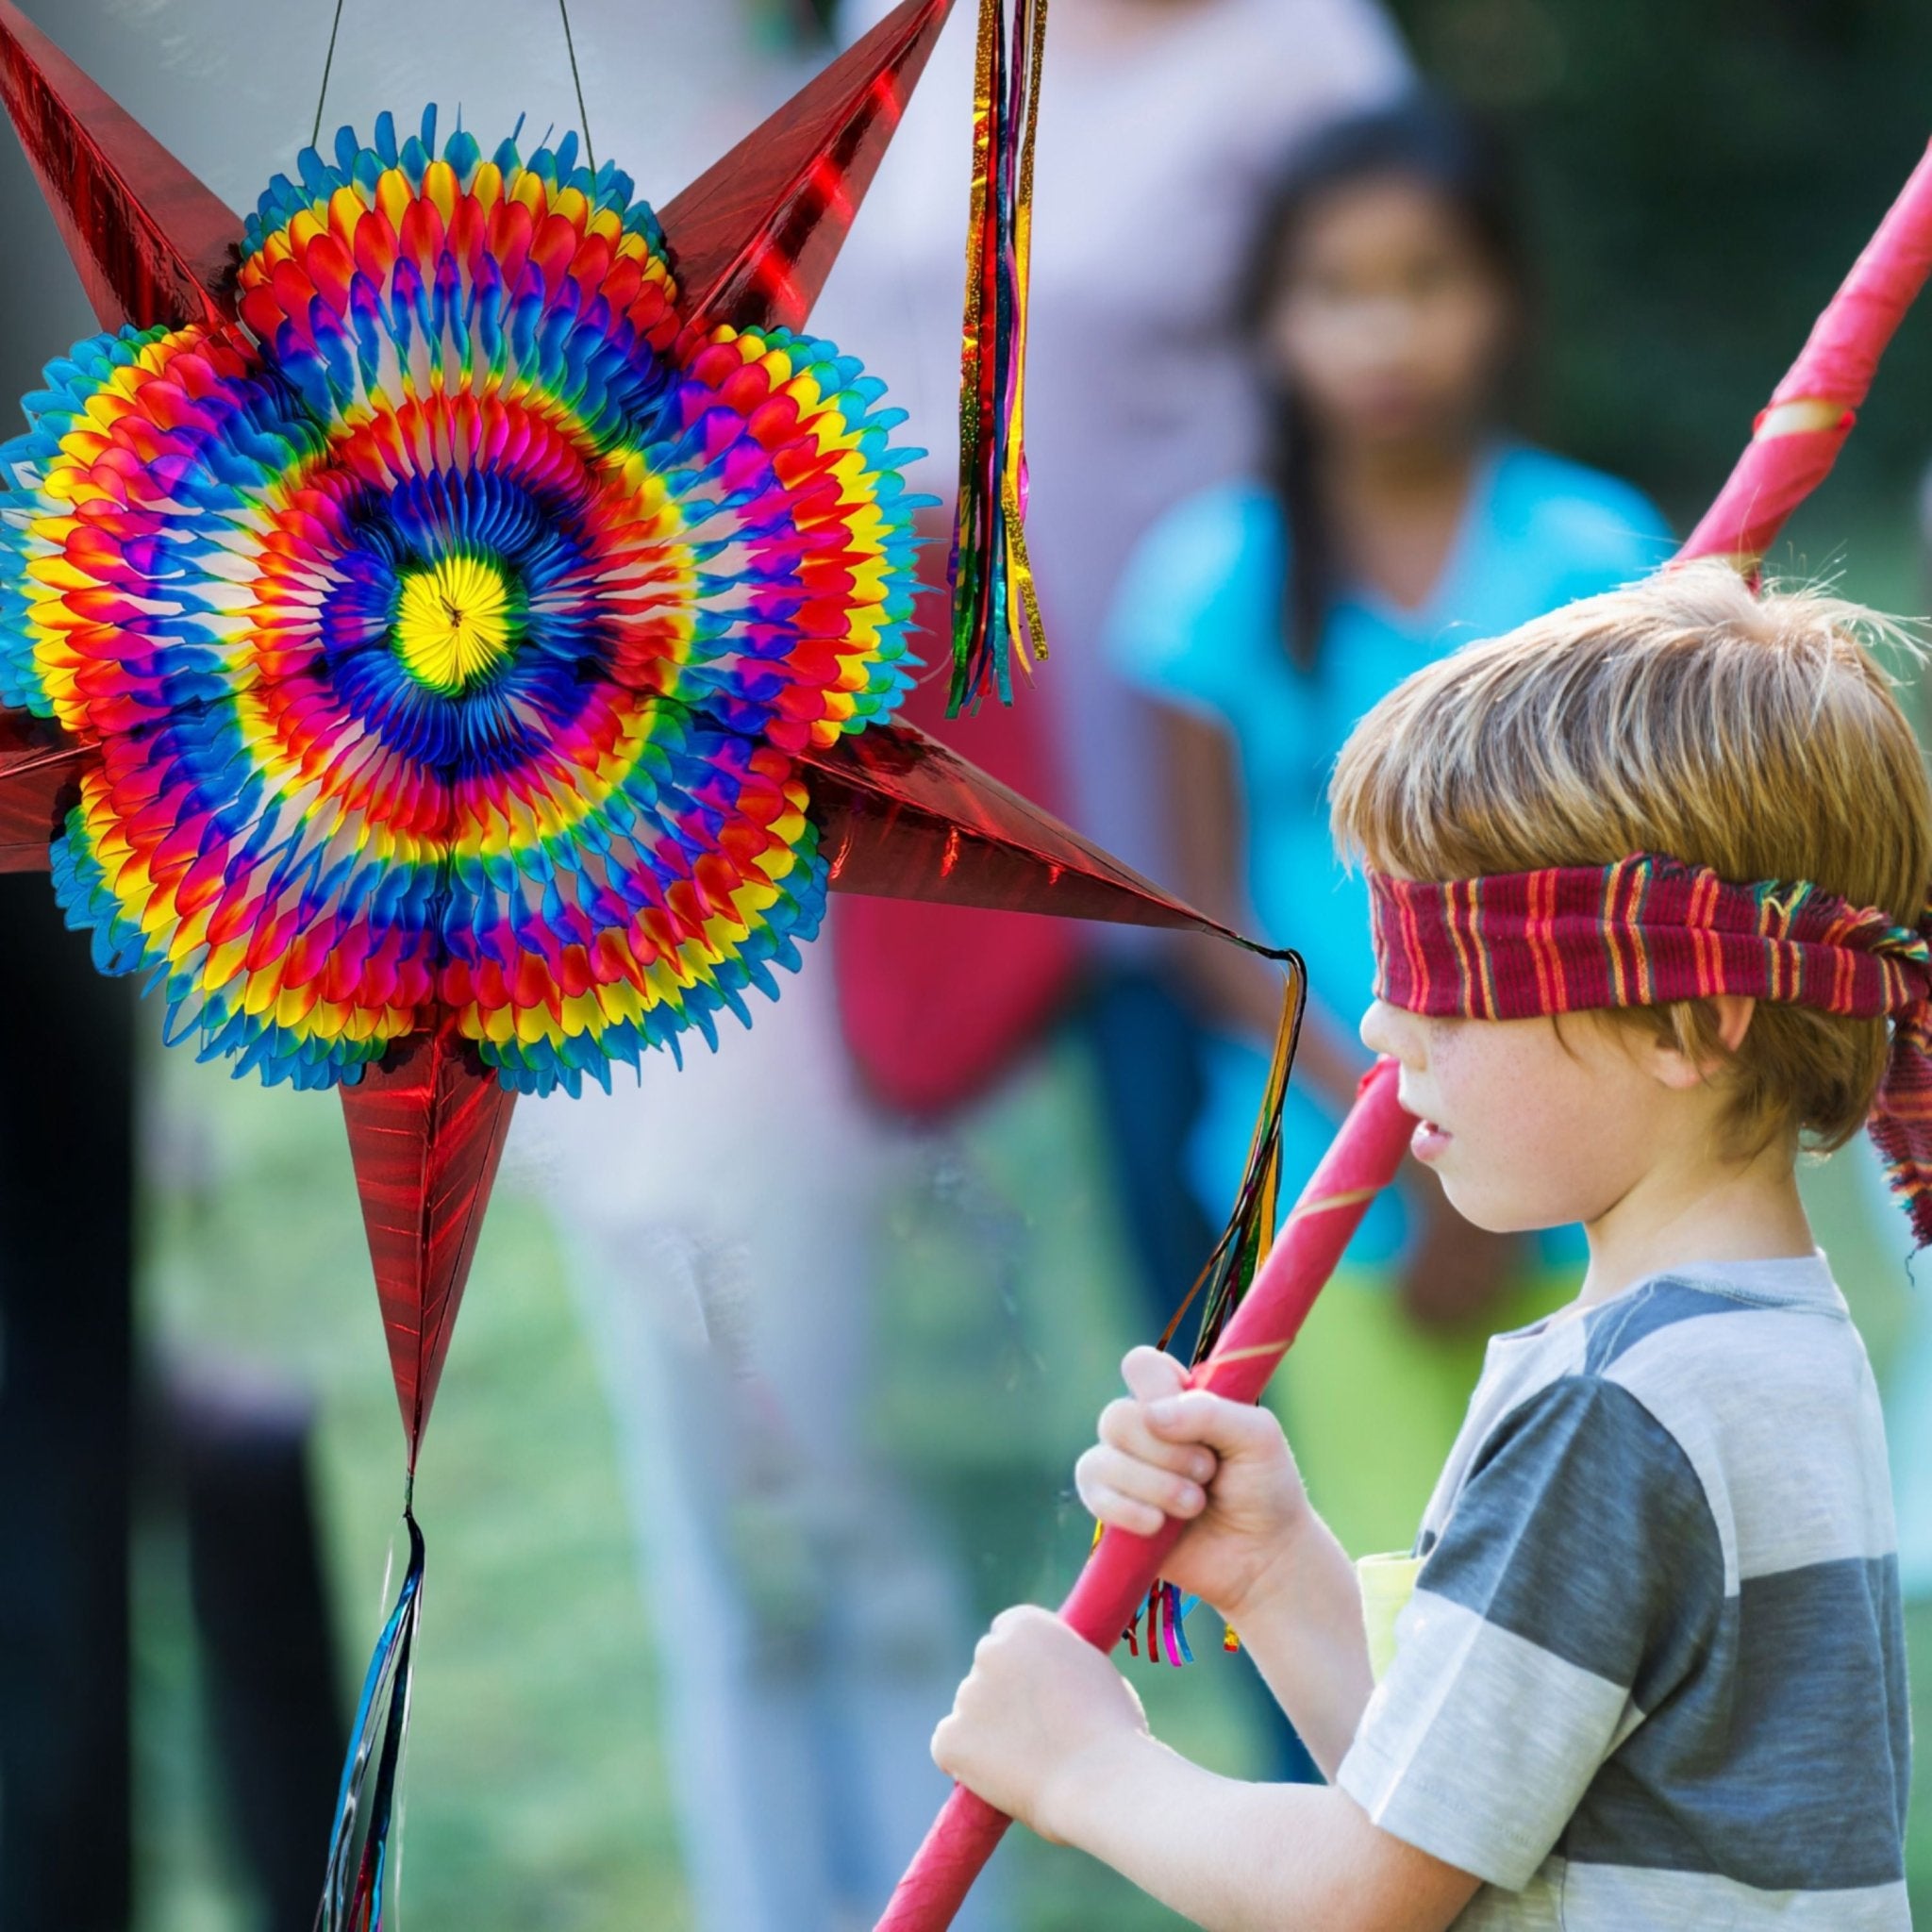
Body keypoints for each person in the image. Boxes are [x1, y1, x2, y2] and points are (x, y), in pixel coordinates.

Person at [932, 565, 1921, 1928]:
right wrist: (1281, 1576)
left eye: (1452, 989)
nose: (1386, 1030)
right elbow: (1467, 1813)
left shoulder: (1616, 1415)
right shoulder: (1766, 1348)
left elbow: (1370, 1896)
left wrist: (1088, 1771)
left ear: (1685, 1027)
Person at [1109, 93, 1674, 1558]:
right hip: (1317, 1191)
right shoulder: (1210, 587)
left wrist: (1496, 1174)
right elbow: (1203, 926)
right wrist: (1417, 1139)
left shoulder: (1600, 565)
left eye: (1426, 281)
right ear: (1268, 325)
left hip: (1587, 1181)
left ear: (1503, 294)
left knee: (1600, 1599)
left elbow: (1644, 894)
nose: (1384, 333)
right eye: (1335, 292)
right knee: (1385, 1602)